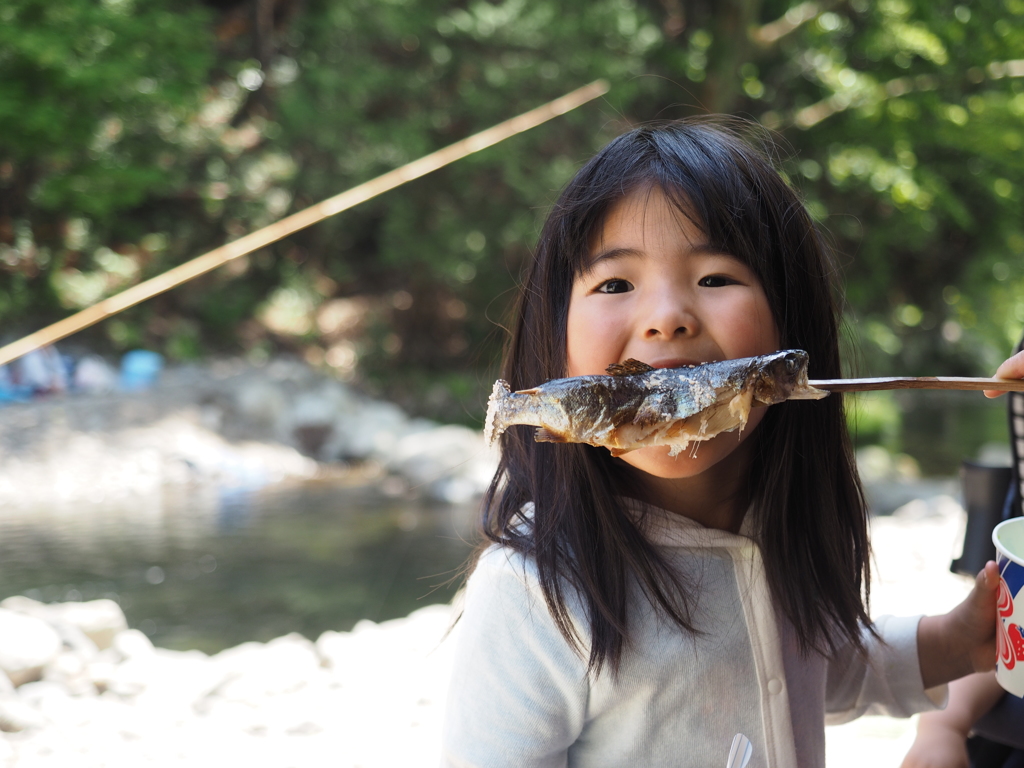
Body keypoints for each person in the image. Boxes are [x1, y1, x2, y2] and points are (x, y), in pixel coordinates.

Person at [441, 118, 1001, 767]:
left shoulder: (778, 527)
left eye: (715, 278)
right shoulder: (535, 588)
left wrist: (960, 640)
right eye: (616, 283)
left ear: (791, 329)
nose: (667, 316)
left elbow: (816, 667)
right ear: (555, 338)